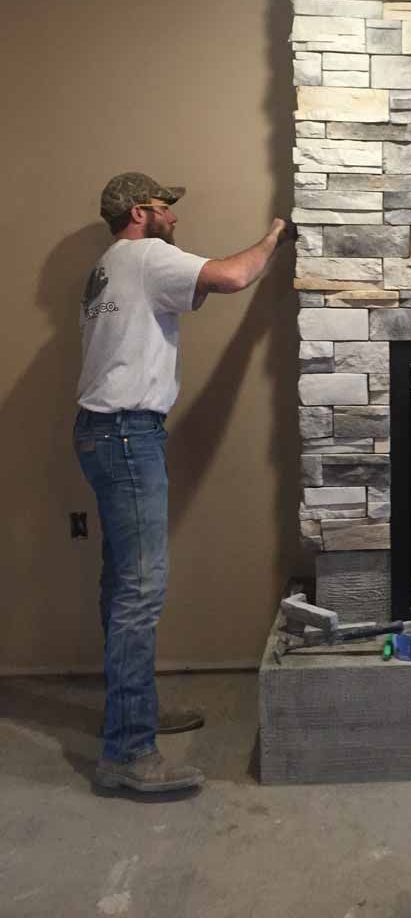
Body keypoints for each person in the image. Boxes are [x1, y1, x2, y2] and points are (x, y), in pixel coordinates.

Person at [74, 172, 294, 794]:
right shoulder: (148, 256)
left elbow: (190, 296)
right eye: (167, 207)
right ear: (141, 212)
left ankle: (132, 719)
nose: (175, 215)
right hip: (124, 434)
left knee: (122, 584)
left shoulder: (110, 265)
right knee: (139, 592)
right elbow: (231, 277)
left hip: (100, 432)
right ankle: (126, 753)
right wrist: (276, 234)